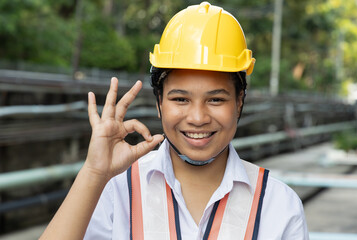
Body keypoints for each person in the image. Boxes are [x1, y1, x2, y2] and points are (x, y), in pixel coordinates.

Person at [41, 2, 309, 239]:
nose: (197, 118)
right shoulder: (116, 192)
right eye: (180, 99)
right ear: (159, 102)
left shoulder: (278, 205)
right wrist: (95, 173)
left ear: (239, 102)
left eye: (216, 100)